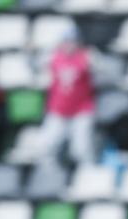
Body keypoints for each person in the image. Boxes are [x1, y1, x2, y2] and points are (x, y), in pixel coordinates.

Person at [39, 26, 95, 164]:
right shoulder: (53, 57)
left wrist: (95, 62)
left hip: (81, 109)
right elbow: (34, 66)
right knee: (47, 145)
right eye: (66, 41)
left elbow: (104, 72)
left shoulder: (87, 57)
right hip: (58, 109)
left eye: (72, 41)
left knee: (81, 149)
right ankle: (49, 172)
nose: (69, 45)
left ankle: (86, 172)